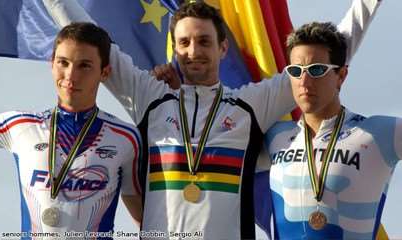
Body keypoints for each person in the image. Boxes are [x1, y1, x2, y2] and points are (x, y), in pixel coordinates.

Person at [43, 1, 379, 239]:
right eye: (184, 43)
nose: (193, 51)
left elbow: (330, 51)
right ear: (174, 49)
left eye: (204, 42)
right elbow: (94, 40)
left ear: (223, 48)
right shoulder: (150, 97)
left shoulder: (250, 104)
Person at [0, 22, 142, 238]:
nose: (71, 75)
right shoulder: (20, 126)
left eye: (84, 65)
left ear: (104, 72)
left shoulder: (126, 138)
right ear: (51, 63)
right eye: (63, 62)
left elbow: (144, 218)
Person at [262, 21, 401, 239]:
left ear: (341, 76)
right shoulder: (274, 136)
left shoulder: (380, 132)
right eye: (296, 71)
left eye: (316, 70)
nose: (304, 81)